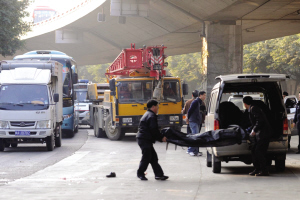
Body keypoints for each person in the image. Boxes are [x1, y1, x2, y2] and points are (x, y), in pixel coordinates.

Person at [136, 99, 168, 181]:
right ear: (153, 107)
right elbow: (154, 130)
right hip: (144, 139)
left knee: (153, 158)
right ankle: (140, 173)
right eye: (157, 106)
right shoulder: (151, 116)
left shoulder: (148, 114)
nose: (158, 108)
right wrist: (161, 138)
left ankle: (159, 175)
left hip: (144, 138)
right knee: (146, 157)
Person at [243, 96, 271, 176]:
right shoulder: (252, 108)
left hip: (263, 134)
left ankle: (264, 170)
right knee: (254, 150)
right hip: (261, 134)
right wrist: (250, 129)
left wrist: (254, 130)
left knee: (259, 151)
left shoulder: (254, 109)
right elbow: (255, 122)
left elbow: (260, 120)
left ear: (244, 104)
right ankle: (257, 169)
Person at [186, 91, 205, 156]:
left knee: (197, 137)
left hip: (197, 121)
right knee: (195, 136)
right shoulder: (195, 102)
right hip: (193, 121)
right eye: (204, 95)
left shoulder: (200, 102)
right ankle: (190, 150)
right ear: (200, 95)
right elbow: (190, 110)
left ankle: (196, 151)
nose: (205, 97)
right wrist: (188, 118)